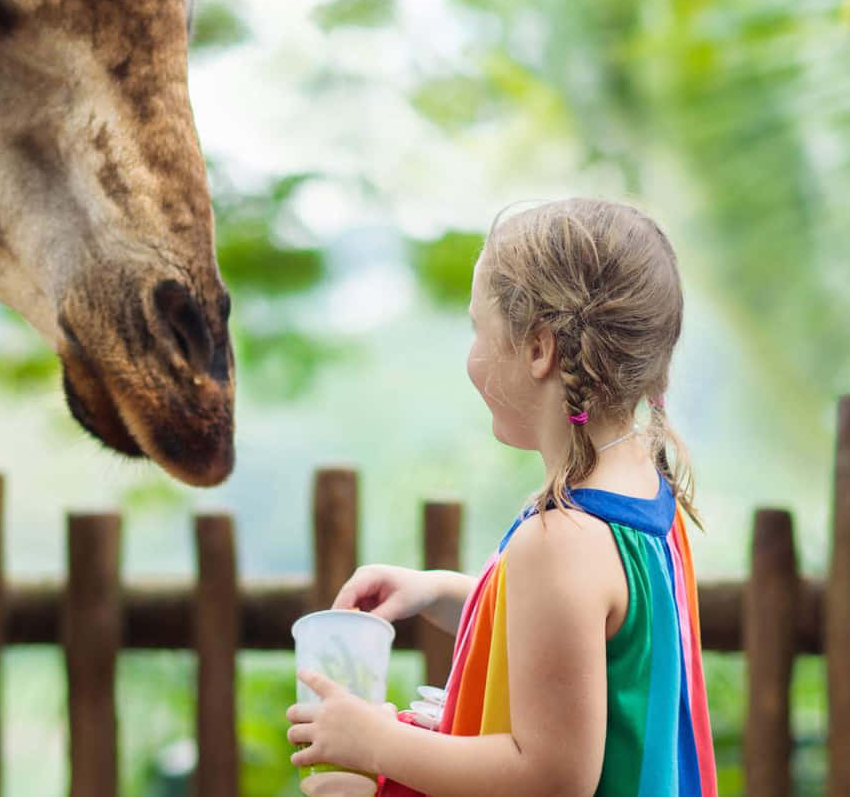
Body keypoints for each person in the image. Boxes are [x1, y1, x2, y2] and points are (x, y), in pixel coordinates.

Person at [285, 198, 716, 796]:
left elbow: (548, 777)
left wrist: (377, 746)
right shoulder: (642, 488)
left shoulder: (561, 540)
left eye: (476, 329)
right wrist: (441, 591)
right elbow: (578, 654)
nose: (471, 355)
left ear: (539, 350)